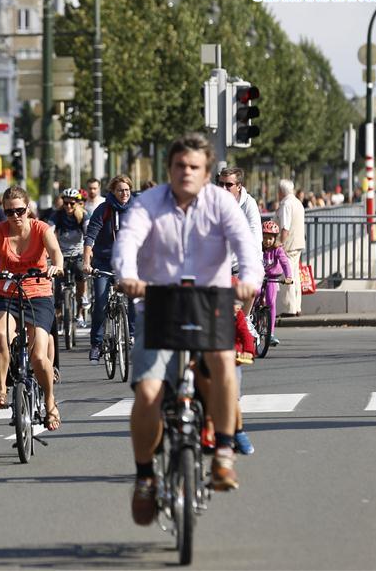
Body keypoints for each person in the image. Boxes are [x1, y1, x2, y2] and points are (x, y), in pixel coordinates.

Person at [112, 133, 263, 522]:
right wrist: (127, 275)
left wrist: (249, 279)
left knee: (223, 365)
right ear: (169, 169)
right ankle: (145, 476)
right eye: (179, 166)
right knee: (147, 391)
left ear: (207, 171)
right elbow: (127, 241)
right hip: (158, 302)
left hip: (208, 302)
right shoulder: (148, 203)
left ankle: (224, 454)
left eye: (194, 167)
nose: (186, 173)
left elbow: (247, 247)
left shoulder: (221, 205)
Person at [0, 186, 64, 430]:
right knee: (0, 332)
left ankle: (50, 402)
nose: (15, 216)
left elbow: (55, 252)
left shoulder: (41, 228)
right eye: (10, 212)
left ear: (28, 209)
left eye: (20, 210)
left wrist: (56, 266)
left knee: (39, 356)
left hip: (39, 294)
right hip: (8, 293)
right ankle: (1, 388)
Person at [83, 175, 136, 364]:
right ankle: (96, 344)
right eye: (121, 190)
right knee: (100, 301)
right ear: (113, 191)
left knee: (134, 297)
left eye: (127, 190)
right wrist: (87, 260)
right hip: (104, 262)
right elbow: (91, 235)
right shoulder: (103, 209)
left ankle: (132, 336)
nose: (125, 194)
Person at [48, 188, 90, 328]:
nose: (68, 207)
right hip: (62, 255)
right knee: (58, 286)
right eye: (66, 203)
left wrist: (89, 252)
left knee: (80, 275)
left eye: (72, 204)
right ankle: (59, 315)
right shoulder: (57, 215)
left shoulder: (83, 215)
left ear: (77, 203)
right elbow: (49, 231)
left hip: (78, 254)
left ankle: (80, 310)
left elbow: (88, 235)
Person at [275, 179, 305, 317]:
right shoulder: (298, 202)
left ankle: (289, 309)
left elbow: (285, 228)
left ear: (281, 192)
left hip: (289, 246)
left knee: (287, 276)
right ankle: (297, 306)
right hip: (298, 244)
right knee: (295, 277)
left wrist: (279, 243)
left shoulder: (286, 204)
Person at [261, 220, 293, 346]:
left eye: (270, 238)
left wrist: (288, 276)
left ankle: (271, 333)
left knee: (270, 301)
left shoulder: (278, 250)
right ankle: (251, 320)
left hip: (272, 278)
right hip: (259, 276)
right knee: (255, 294)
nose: (267, 241)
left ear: (275, 239)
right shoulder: (258, 247)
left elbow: (285, 263)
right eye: (265, 238)